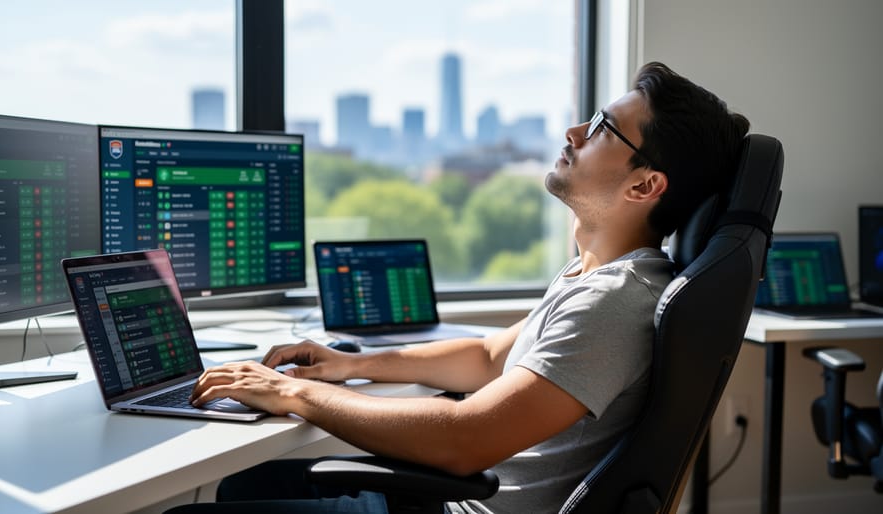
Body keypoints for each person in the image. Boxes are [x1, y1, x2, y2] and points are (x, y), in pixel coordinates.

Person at [168, 62, 750, 514]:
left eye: (602, 129)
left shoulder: (613, 300)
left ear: (645, 185)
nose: (574, 132)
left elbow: (465, 441)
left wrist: (294, 394)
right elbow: (490, 357)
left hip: (463, 505)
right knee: (252, 484)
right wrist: (348, 365)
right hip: (460, 497)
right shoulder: (594, 274)